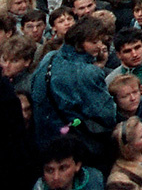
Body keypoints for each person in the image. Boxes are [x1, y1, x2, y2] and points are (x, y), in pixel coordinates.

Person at [31, 16, 119, 156]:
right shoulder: (87, 72)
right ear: (79, 43)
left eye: (100, 40)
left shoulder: (50, 57)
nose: (99, 46)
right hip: (78, 145)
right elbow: (106, 114)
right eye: (93, 42)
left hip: (44, 139)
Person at [35, 137, 105, 190]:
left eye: (63, 168)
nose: (56, 177)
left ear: (77, 165)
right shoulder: (39, 187)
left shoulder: (93, 180)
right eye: (49, 171)